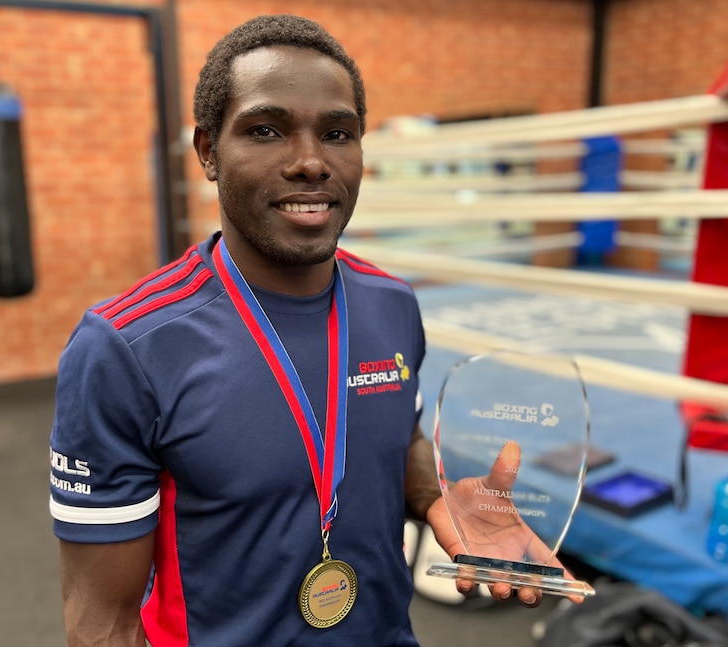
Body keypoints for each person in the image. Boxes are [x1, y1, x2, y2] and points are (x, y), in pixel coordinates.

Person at [49, 14, 575, 646]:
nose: (310, 162)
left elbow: (394, 436)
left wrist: (441, 498)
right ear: (209, 152)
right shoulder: (127, 348)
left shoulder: (392, 304)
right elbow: (100, 626)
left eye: (337, 133)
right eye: (266, 130)